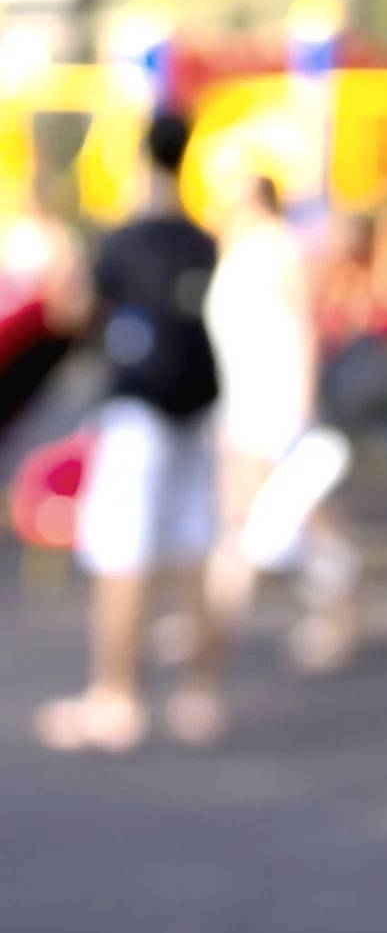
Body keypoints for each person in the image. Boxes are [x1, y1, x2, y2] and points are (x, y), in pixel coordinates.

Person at [35, 109, 226, 752]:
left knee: (123, 553)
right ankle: (199, 694)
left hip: (139, 410)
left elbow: (71, 310)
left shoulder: (123, 240)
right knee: (193, 547)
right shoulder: (204, 241)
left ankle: (115, 697)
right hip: (197, 412)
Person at [201, 170, 321, 646]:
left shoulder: (277, 247)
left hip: (273, 398)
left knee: (289, 512)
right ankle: (214, 619)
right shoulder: (236, 250)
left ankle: (331, 605)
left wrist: (302, 400)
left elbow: (303, 324)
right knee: (241, 515)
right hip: (240, 398)